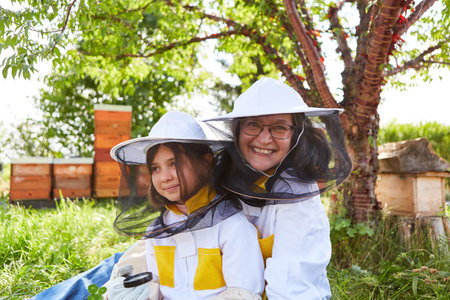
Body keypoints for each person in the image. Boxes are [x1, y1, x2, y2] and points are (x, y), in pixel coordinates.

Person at [202, 77, 352, 299]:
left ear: (296, 134)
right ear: (237, 130)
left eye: (279, 127)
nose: (264, 139)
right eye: (253, 124)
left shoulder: (298, 198)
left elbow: (290, 287)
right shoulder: (227, 178)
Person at [103, 111, 264, 299]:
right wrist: (139, 292)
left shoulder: (232, 226)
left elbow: (244, 293)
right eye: (156, 168)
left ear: (205, 163)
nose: (165, 177)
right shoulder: (158, 229)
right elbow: (158, 282)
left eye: (174, 163)